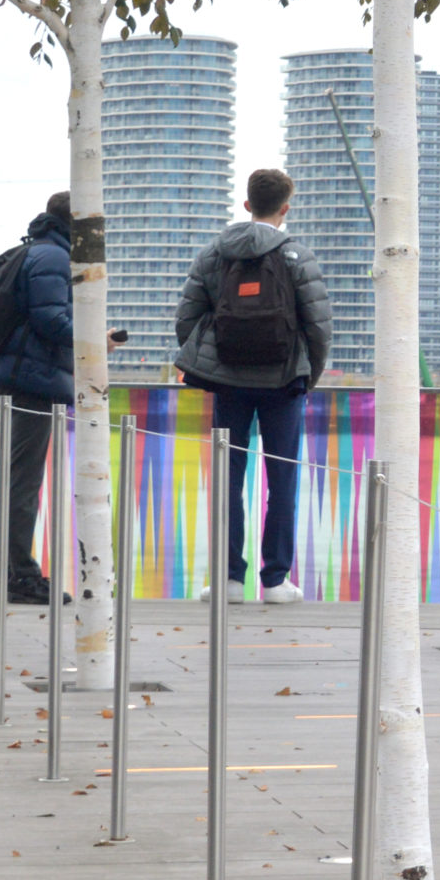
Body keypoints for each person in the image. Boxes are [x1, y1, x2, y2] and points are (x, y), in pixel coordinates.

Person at [175, 168, 332, 603]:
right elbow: (319, 327)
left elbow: (186, 318)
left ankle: (228, 580)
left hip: (229, 382)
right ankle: (276, 581)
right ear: (285, 208)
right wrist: (308, 375)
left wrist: (213, 361)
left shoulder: (213, 253)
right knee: (282, 480)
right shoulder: (297, 255)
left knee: (229, 477)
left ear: (246, 205)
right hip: (284, 382)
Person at [0, 192, 75, 605]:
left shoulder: (35, 250)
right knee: (23, 481)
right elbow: (50, 319)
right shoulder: (53, 258)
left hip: (19, 377)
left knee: (21, 479)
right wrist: (93, 338)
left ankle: (20, 572)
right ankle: (20, 576)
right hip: (30, 381)